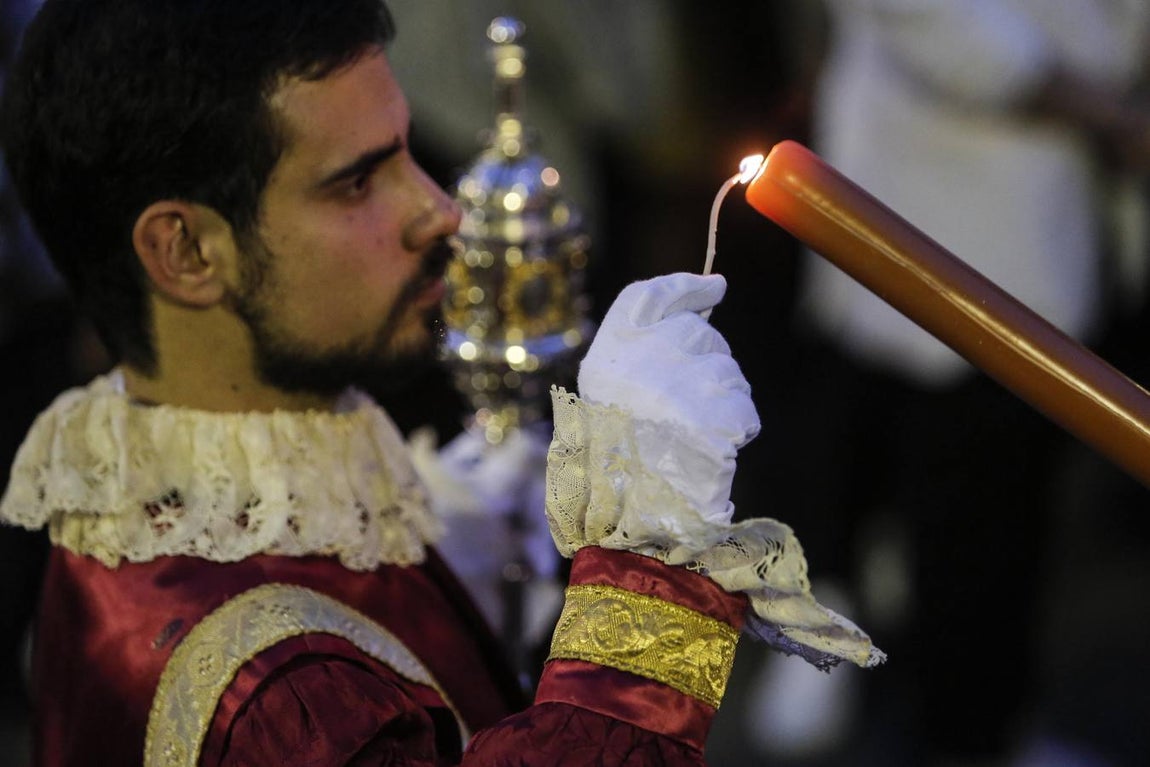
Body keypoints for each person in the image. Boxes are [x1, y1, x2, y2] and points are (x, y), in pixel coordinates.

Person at [0, 1, 882, 764]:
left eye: (407, 152)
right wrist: (645, 569)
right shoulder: (261, 692)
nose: (441, 209)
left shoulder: (141, 482)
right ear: (187, 251)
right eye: (355, 181)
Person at [777, 0, 1150, 763]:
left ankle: (948, 698)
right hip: (941, 194)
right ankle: (945, 716)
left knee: (982, 499)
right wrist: (1111, 116)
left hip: (1058, 203)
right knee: (953, 499)